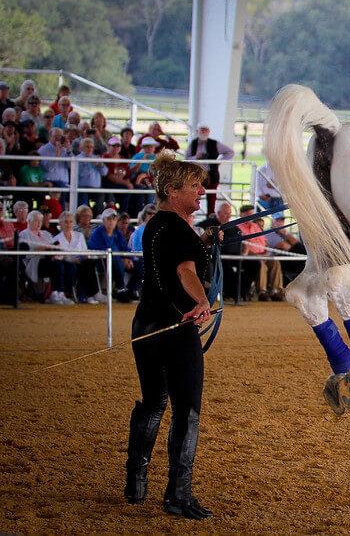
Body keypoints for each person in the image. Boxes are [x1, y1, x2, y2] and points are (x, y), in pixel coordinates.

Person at [125, 151, 214, 519]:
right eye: (194, 186)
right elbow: (184, 271)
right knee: (187, 409)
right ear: (173, 189)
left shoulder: (156, 225)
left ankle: (136, 480)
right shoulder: (179, 229)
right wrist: (203, 300)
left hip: (146, 324)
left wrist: (204, 241)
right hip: (176, 327)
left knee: (153, 401)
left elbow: (176, 257)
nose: (200, 191)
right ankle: (178, 495)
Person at [87, 208, 136, 301]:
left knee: (138, 263)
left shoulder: (117, 233)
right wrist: (121, 257)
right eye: (108, 219)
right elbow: (96, 248)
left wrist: (128, 258)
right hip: (100, 261)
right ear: (103, 221)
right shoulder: (98, 233)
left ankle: (131, 289)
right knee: (114, 256)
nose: (111, 222)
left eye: (113, 219)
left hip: (116, 261)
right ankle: (121, 288)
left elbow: (125, 248)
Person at [18, 209, 65, 304]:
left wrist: (55, 249)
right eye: (36, 220)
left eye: (40, 220)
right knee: (56, 265)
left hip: (49, 260)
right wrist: (43, 248)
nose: (39, 223)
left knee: (63, 264)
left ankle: (59, 293)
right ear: (29, 221)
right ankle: (55, 293)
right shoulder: (24, 234)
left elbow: (55, 246)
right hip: (34, 263)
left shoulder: (46, 234)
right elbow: (25, 253)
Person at [236, 204, 281, 301]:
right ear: (241, 214)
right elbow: (243, 247)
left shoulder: (256, 226)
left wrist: (266, 252)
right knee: (261, 264)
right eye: (247, 214)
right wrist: (257, 255)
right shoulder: (237, 228)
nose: (249, 217)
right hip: (249, 257)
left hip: (263, 254)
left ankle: (275, 290)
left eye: (251, 214)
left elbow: (264, 242)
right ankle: (262, 291)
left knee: (275, 262)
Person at [186, 125, 234, 215]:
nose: (203, 132)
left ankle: (210, 219)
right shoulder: (193, 144)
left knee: (211, 198)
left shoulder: (214, 143)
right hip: (196, 175)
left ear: (209, 132)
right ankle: (190, 216)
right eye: (202, 130)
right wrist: (196, 157)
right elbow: (186, 158)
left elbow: (230, 152)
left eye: (206, 130)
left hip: (211, 174)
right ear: (197, 131)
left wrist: (219, 162)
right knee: (192, 196)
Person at [52, 211, 93, 304]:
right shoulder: (56, 239)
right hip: (67, 263)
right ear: (60, 224)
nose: (68, 224)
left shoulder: (79, 235)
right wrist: (72, 259)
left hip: (80, 262)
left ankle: (85, 294)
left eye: (71, 222)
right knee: (69, 266)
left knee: (89, 264)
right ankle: (65, 294)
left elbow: (85, 251)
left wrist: (81, 258)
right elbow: (59, 256)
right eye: (66, 222)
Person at [102, 136, 135, 213]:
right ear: (109, 146)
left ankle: (127, 214)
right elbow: (110, 176)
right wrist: (127, 183)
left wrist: (127, 182)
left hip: (120, 184)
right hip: (108, 183)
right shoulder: (105, 157)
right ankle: (122, 213)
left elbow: (127, 175)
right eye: (113, 145)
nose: (116, 147)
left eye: (118, 145)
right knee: (126, 189)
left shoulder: (123, 159)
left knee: (137, 190)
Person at [76, 137, 108, 212]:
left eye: (91, 147)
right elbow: (78, 174)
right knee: (83, 204)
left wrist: (99, 165)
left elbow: (105, 173)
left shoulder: (96, 158)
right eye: (87, 146)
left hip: (95, 188)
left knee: (101, 196)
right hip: (82, 187)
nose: (90, 148)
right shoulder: (77, 158)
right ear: (81, 148)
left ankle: (97, 217)